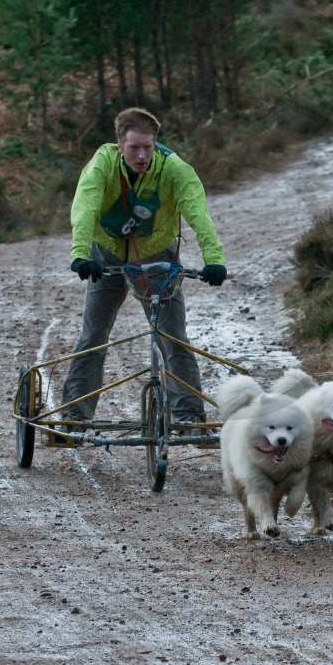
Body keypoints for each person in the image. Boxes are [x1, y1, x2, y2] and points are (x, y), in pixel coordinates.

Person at [60, 107, 227, 428]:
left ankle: (189, 416)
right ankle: (75, 415)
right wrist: (81, 254)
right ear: (119, 145)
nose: (141, 155)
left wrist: (214, 260)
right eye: (134, 147)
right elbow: (85, 208)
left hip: (155, 254)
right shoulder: (102, 165)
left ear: (156, 144)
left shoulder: (174, 170)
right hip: (105, 252)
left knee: (173, 335)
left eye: (148, 147)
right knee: (94, 334)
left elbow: (199, 214)